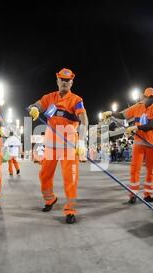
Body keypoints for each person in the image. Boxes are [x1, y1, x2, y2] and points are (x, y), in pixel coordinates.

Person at [28, 68, 88, 224]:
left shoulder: (76, 100)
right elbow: (37, 105)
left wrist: (81, 140)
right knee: (44, 175)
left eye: (68, 80)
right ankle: (50, 199)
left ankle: (70, 210)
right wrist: (34, 108)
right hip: (50, 144)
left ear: (72, 82)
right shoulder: (50, 97)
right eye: (62, 79)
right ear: (57, 81)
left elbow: (84, 120)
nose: (65, 82)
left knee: (70, 178)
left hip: (69, 144)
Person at [103, 87, 153, 203]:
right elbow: (123, 115)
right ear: (144, 97)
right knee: (135, 169)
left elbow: (152, 125)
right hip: (139, 144)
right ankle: (133, 194)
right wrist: (112, 113)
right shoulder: (137, 107)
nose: (151, 100)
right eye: (149, 97)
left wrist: (136, 127)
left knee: (151, 170)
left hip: (151, 144)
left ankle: (148, 194)